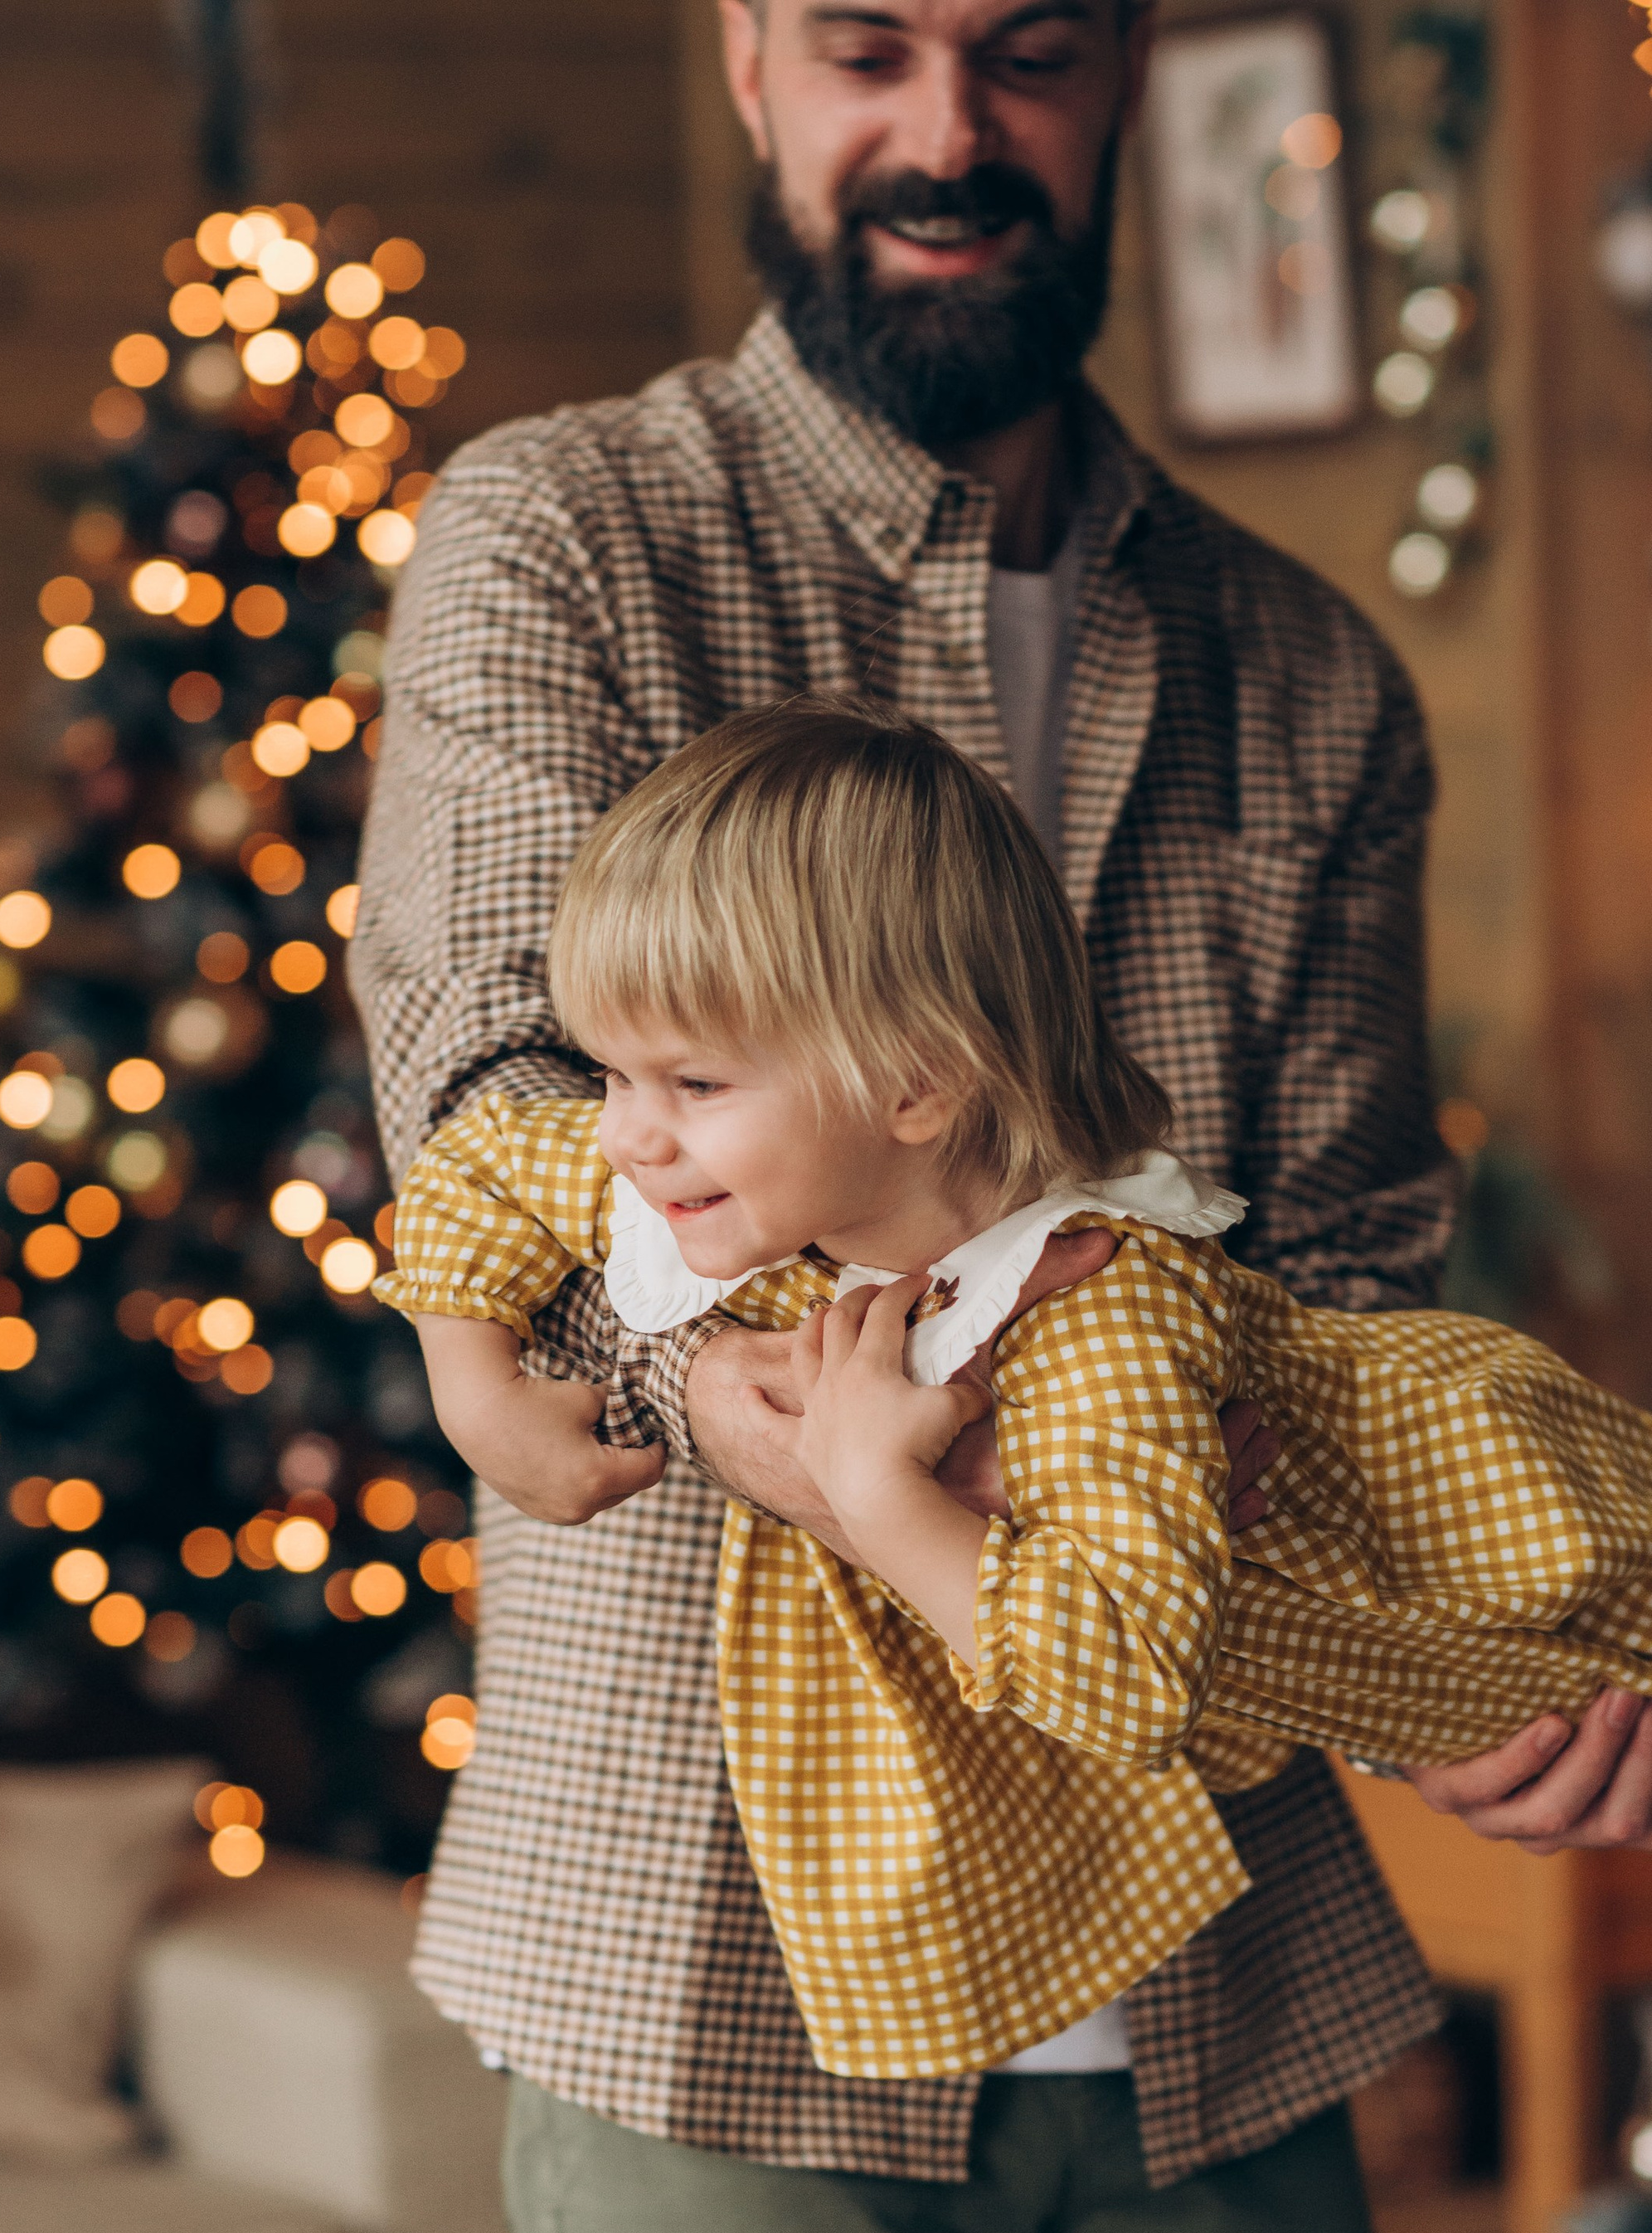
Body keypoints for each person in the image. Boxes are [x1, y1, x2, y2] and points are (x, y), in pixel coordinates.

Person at [349, 4, 1652, 2233]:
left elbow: (1326, 1299)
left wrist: (1488, 1667)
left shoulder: (1310, 676)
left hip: (1192, 1974)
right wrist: (839, 1421)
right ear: (747, 76)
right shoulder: (568, 542)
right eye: (870, 47)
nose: (953, 125)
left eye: (1032, 52)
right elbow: (535, 1131)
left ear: (1117, 91)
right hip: (705, 1965)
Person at [377, 694, 1652, 2085]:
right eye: (614, 1070)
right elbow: (483, 1164)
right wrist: (477, 1395)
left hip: (1553, 1579)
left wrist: (876, 1493)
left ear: (918, 1082)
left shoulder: (1104, 1317)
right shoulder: (731, 1189)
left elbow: (1125, 1679)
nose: (626, 1130)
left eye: (690, 1079)